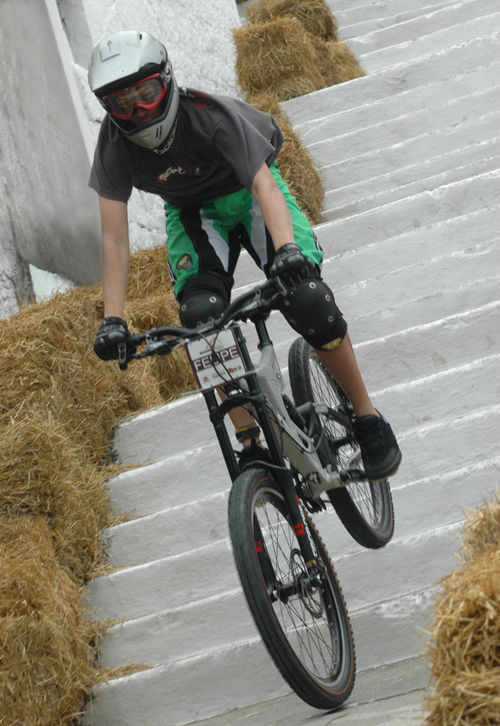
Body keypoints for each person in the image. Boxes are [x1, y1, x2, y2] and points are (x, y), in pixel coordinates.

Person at [87, 30, 401, 480]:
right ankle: (250, 442)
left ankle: (368, 416)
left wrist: (288, 251)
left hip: (249, 194)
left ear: (168, 80)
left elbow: (264, 187)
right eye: (123, 104)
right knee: (201, 320)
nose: (137, 111)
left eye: (146, 94)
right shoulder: (113, 147)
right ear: (107, 109)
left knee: (309, 299)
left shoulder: (208, 116)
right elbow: (114, 239)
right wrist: (112, 318)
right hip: (193, 214)